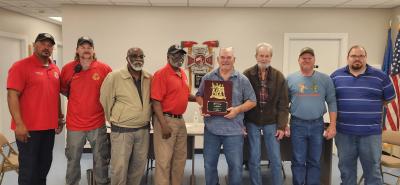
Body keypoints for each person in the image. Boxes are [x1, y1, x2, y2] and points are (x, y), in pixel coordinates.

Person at [331, 45, 395, 185]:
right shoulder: (336, 76)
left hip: (371, 134)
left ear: (366, 58)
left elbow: (389, 98)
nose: (357, 59)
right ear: (348, 58)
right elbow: (331, 100)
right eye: (353, 56)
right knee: (346, 169)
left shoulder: (381, 76)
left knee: (373, 171)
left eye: (361, 56)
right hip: (344, 133)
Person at [7, 33, 64, 185]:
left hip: (48, 129)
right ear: (35, 45)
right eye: (43, 43)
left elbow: (55, 94)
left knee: (43, 167)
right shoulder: (20, 66)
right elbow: (12, 96)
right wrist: (19, 124)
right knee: (28, 171)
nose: (46, 47)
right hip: (28, 129)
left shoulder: (55, 68)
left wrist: (59, 117)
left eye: (50, 45)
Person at [196, 47, 257, 185]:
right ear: (218, 59)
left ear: (234, 60)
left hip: (234, 131)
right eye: (222, 57)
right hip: (212, 130)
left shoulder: (242, 80)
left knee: (235, 167)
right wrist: (203, 106)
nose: (225, 60)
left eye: (229, 57)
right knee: (209, 166)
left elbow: (252, 101)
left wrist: (237, 110)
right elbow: (199, 95)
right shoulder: (208, 77)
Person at [60, 36, 111, 185]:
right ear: (77, 50)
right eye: (82, 47)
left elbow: (110, 91)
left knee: (101, 159)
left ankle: (101, 182)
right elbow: (63, 89)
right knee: (73, 159)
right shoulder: (68, 69)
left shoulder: (104, 69)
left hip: (97, 123)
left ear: (93, 50)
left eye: (89, 47)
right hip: (75, 125)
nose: (86, 50)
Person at [100, 47, 152, 185]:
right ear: (127, 58)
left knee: (138, 167)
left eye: (141, 56)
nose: (138, 59)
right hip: (122, 130)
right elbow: (105, 100)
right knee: (119, 168)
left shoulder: (148, 77)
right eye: (134, 56)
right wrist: (114, 118)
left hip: (143, 130)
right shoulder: (114, 76)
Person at [287, 47, 337, 185]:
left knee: (315, 160)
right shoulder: (290, 79)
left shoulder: (325, 79)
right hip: (297, 124)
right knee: (298, 160)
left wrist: (332, 126)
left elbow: (332, 102)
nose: (306, 60)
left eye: (310, 58)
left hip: (317, 124)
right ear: (298, 60)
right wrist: (284, 124)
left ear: (314, 60)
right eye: (304, 58)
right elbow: (283, 104)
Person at [243, 43, 289, 185]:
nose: (264, 59)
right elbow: (241, 100)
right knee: (254, 158)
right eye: (261, 55)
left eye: (267, 56)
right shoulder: (246, 75)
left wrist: (281, 126)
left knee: (275, 159)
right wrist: (242, 123)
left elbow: (283, 104)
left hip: (272, 122)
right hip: (252, 121)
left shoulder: (279, 76)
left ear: (271, 57)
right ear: (256, 56)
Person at [151, 44, 196, 185]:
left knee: (179, 160)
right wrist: (163, 125)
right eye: (175, 55)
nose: (178, 58)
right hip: (166, 120)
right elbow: (155, 101)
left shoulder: (182, 73)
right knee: (164, 162)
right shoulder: (161, 74)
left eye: (181, 55)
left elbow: (184, 95)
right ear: (168, 57)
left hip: (180, 121)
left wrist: (201, 99)